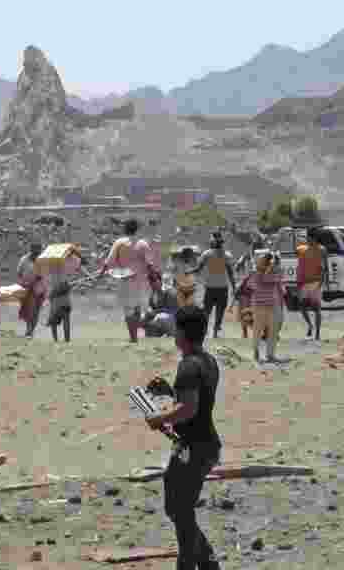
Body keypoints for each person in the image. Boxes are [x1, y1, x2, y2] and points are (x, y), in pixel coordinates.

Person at [144, 305, 222, 570]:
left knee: (179, 510)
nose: (173, 333)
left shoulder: (188, 365)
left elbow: (189, 409)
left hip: (194, 448)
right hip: (204, 445)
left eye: (175, 328)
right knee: (181, 509)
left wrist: (159, 418)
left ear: (182, 333)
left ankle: (193, 564)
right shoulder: (207, 360)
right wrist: (169, 392)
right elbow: (195, 402)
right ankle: (208, 564)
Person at [100, 219, 161, 343]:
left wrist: (101, 273)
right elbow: (149, 264)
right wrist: (154, 279)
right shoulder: (142, 244)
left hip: (124, 280)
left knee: (128, 310)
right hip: (139, 281)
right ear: (137, 229)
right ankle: (135, 336)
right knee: (137, 308)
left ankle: (133, 337)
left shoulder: (119, 242)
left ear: (125, 229)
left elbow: (109, 261)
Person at [191, 232, 236, 341]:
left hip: (211, 287)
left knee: (207, 311)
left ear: (213, 242)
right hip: (222, 288)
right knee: (219, 311)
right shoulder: (227, 255)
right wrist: (234, 287)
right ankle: (215, 332)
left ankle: (206, 331)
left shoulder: (207, 254)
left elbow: (198, 269)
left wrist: (188, 272)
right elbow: (230, 273)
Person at [248, 251, 283, 363]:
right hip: (263, 305)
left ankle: (265, 353)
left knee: (267, 331)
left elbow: (277, 283)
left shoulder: (268, 272)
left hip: (268, 305)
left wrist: (272, 267)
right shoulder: (258, 273)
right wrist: (271, 267)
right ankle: (262, 353)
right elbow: (262, 280)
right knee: (264, 331)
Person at [296, 228, 329, 341]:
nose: (307, 240)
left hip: (316, 282)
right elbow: (299, 267)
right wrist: (298, 282)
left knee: (317, 308)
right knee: (302, 307)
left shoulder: (322, 250)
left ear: (313, 238)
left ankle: (317, 334)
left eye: (308, 237)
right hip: (304, 282)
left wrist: (324, 281)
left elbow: (325, 267)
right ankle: (310, 325)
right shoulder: (301, 249)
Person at [44, 247, 82, 343]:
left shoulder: (55, 266)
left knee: (58, 318)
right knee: (62, 318)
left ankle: (59, 340)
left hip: (59, 295)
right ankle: (65, 339)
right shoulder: (62, 265)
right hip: (58, 295)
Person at [16, 243, 46, 338]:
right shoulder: (24, 260)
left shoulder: (44, 260)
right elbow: (19, 273)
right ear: (31, 250)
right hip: (28, 289)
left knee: (36, 311)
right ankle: (28, 330)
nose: (37, 253)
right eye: (35, 251)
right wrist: (25, 281)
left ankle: (31, 330)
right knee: (29, 310)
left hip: (40, 289)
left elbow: (48, 274)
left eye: (39, 251)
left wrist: (41, 277)